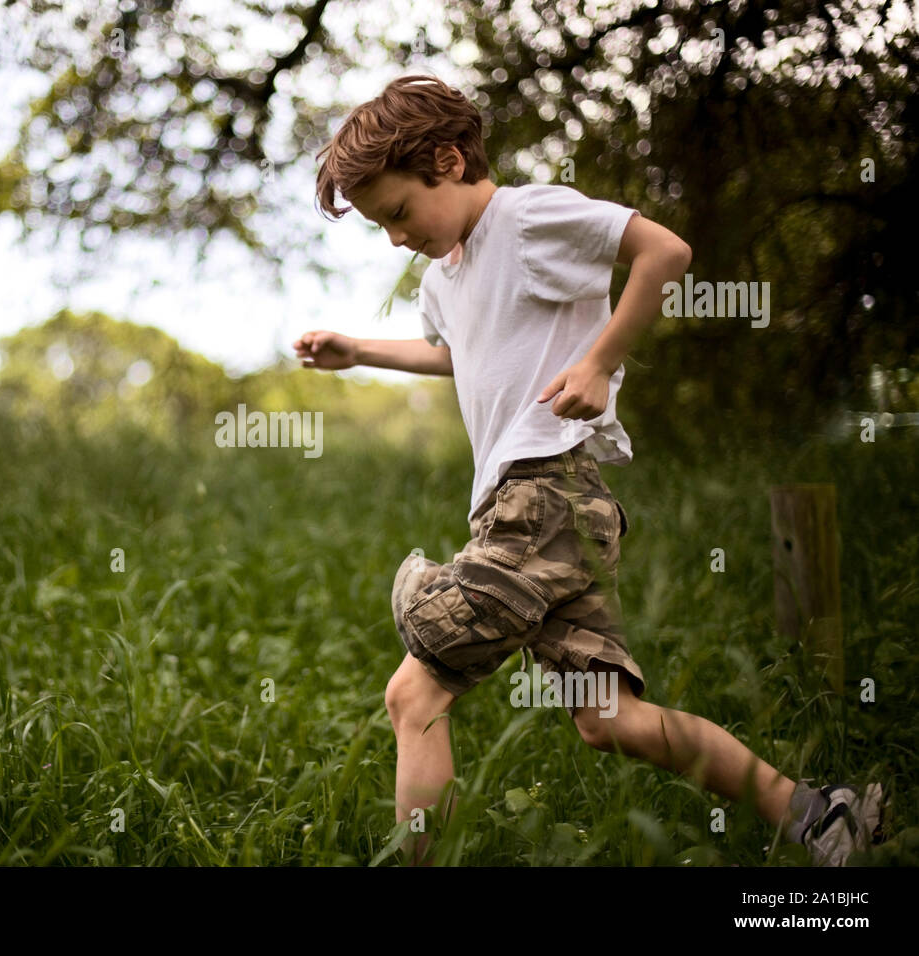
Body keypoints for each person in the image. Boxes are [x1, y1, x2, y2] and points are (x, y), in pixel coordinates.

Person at [296, 73, 885, 866]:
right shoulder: (445, 275)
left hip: (546, 495)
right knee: (611, 721)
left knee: (415, 695)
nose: (397, 238)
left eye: (399, 212)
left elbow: (663, 251)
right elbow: (452, 354)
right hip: (545, 515)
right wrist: (357, 351)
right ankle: (820, 815)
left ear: (446, 159)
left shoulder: (529, 218)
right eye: (381, 228)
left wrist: (601, 362)